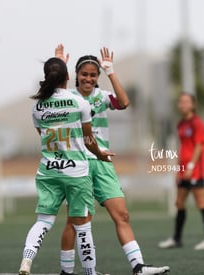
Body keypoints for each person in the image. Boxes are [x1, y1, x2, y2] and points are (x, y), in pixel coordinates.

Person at [55, 44, 170, 275]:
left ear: (97, 77)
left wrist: (110, 71)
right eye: (84, 74)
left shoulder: (103, 97)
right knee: (75, 221)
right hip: (79, 163)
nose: (88, 78)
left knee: (122, 214)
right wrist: (59, 66)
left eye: (93, 74)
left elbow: (125, 102)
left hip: (103, 162)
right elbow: (54, 94)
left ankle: (138, 266)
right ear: (76, 75)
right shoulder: (68, 97)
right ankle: (66, 272)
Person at [18, 56, 114, 275]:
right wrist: (101, 155)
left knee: (43, 221)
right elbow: (90, 141)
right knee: (82, 226)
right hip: (76, 172)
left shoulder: (37, 107)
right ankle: (90, 273)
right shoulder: (79, 102)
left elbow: (43, 136)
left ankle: (26, 259)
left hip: (48, 171)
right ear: (68, 77)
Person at [158, 92, 204, 250]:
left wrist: (190, 166)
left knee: (201, 202)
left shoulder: (197, 123)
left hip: (196, 170)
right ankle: (177, 239)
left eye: (185, 101)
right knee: (179, 203)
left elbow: (199, 146)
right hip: (183, 171)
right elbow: (183, 148)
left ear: (193, 105)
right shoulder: (181, 124)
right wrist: (179, 169)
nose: (182, 104)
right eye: (180, 101)